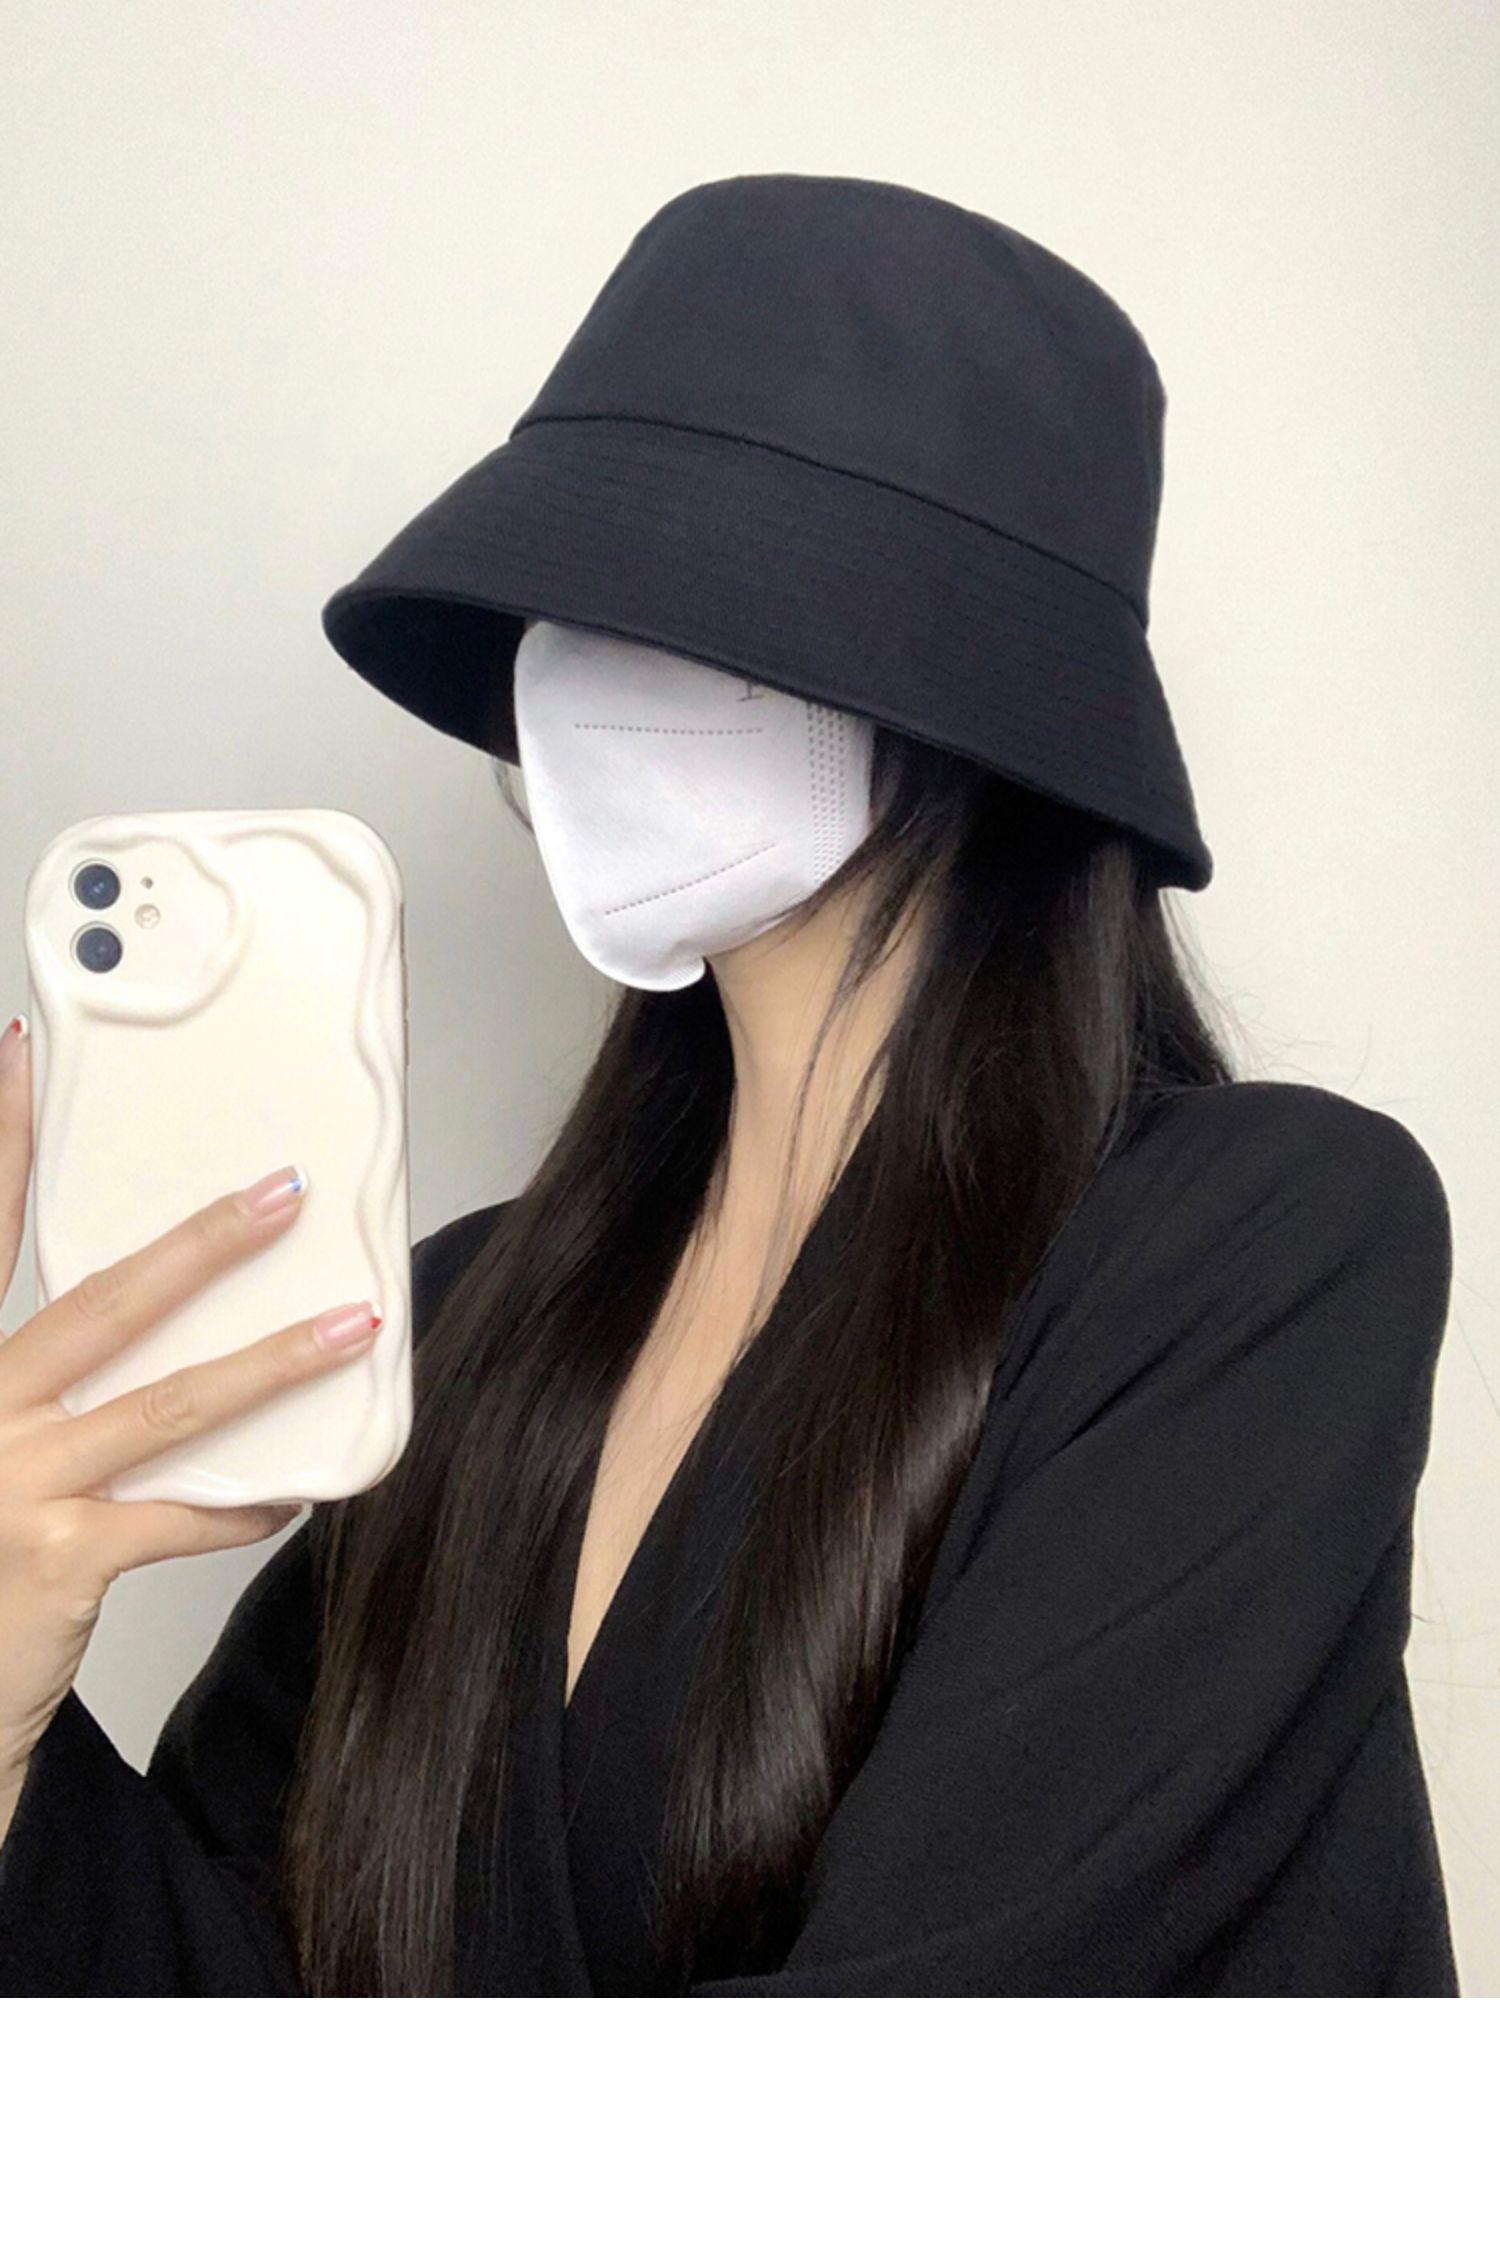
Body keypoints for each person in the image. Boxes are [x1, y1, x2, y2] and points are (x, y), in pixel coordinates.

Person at [0, 175, 1457, 1995]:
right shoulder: (458, 1328)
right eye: (566, 602)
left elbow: (946, 2075)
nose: (583, 678)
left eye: (693, 596)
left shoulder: (1258, 1243)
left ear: (971, 685)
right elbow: (222, 2041)